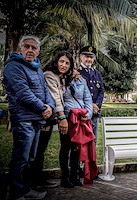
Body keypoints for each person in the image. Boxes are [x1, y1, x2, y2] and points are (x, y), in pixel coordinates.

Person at [3, 35, 54, 200]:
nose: (30, 50)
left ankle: (26, 189)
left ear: (38, 51)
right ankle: (16, 193)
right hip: (23, 118)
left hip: (36, 119)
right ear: (20, 49)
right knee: (21, 158)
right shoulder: (13, 67)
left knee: (30, 158)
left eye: (34, 48)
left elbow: (46, 91)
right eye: (27, 47)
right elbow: (23, 93)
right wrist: (43, 108)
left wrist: (50, 107)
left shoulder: (37, 69)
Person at [32, 51, 74, 189]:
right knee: (38, 149)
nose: (64, 65)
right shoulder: (49, 75)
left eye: (67, 63)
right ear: (56, 62)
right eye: (61, 61)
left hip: (50, 119)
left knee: (41, 149)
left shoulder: (60, 78)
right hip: (44, 117)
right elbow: (55, 97)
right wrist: (62, 117)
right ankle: (34, 181)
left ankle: (38, 178)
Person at [60, 69, 93, 188]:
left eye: (74, 67)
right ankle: (65, 177)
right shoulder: (60, 79)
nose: (73, 70)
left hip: (80, 118)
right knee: (66, 147)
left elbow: (87, 99)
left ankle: (75, 175)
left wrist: (88, 114)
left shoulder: (81, 81)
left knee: (77, 148)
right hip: (67, 118)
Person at [78, 46, 105, 141]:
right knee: (81, 140)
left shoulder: (97, 73)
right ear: (81, 56)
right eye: (86, 56)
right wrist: (90, 105)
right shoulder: (76, 72)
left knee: (93, 139)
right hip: (82, 112)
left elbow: (101, 91)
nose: (89, 59)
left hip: (94, 111)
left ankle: (92, 156)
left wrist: (97, 105)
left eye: (91, 57)